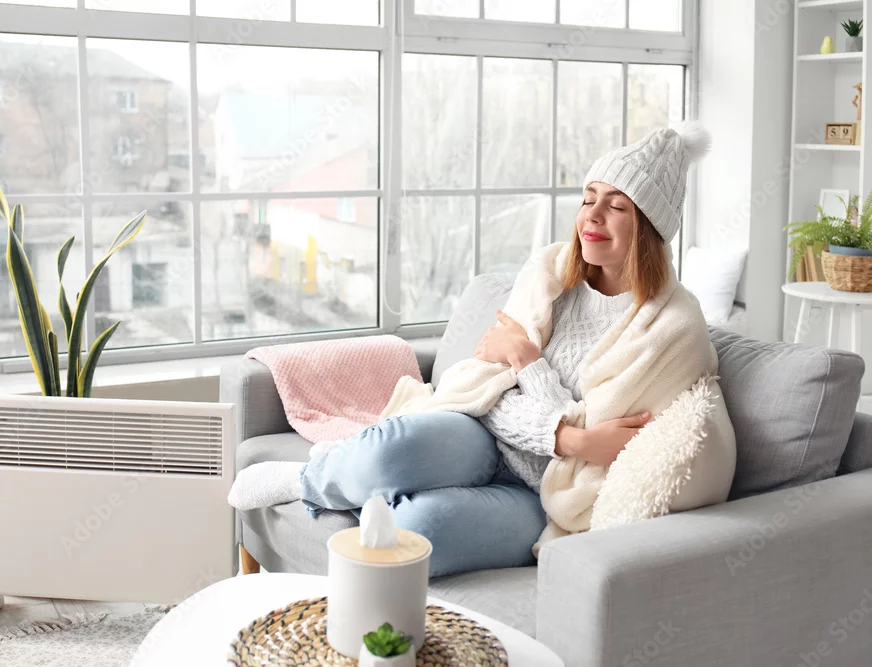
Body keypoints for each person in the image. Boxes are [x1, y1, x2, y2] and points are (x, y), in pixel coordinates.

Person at [299, 125, 725, 577]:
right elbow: (492, 389)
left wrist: (527, 363)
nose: (593, 216)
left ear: (650, 227)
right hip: (481, 435)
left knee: (414, 531)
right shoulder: (550, 273)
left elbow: (606, 445)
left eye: (616, 206)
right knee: (386, 453)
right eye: (588, 199)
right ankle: (304, 480)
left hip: (544, 492)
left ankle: (385, 495)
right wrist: (567, 436)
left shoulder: (673, 327)